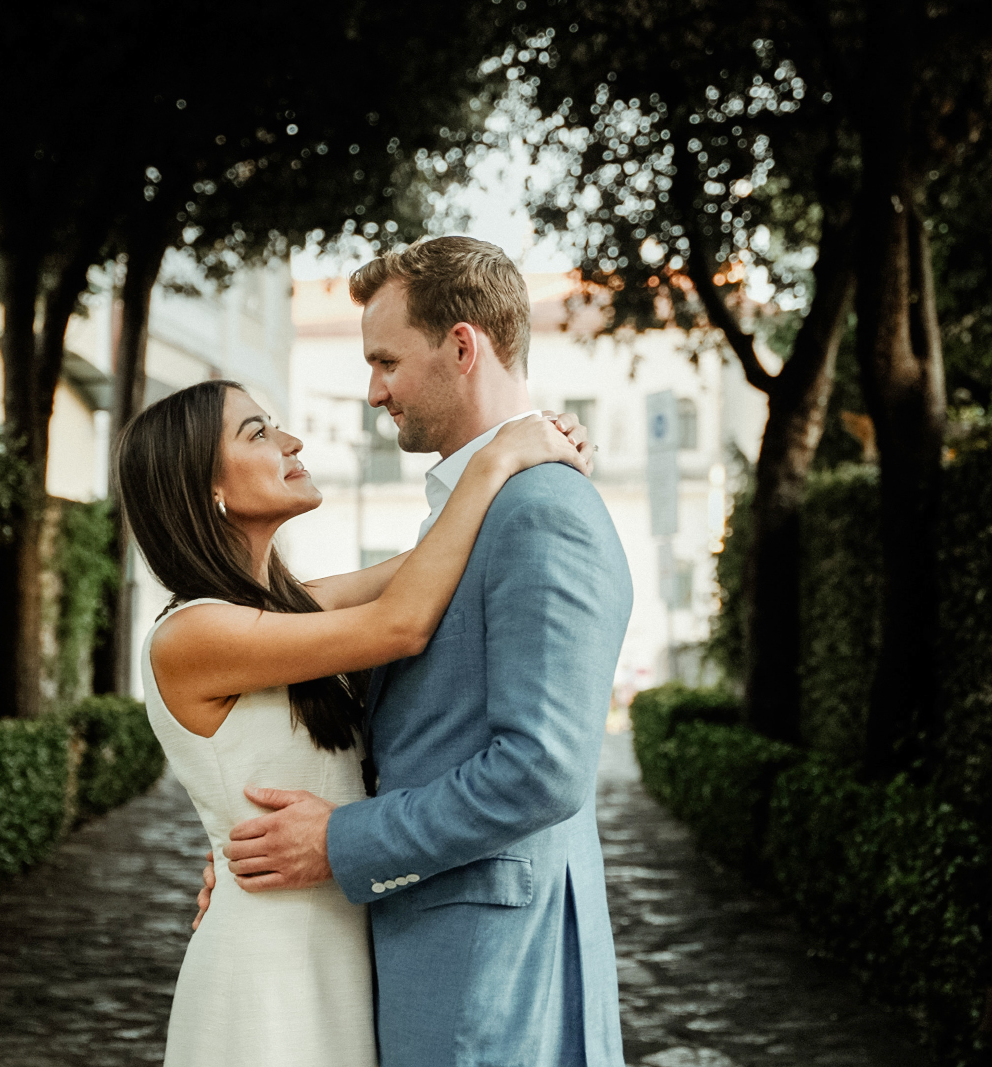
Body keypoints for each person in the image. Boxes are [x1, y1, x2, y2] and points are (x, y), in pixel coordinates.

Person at [206, 236, 635, 1067]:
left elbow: (543, 767)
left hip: (488, 979)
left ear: (463, 346)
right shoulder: (481, 509)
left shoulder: (538, 508)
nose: (374, 392)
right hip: (438, 958)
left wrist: (341, 842)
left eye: (385, 361)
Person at [117, 369, 593, 1067]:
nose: (292, 439)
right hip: (267, 971)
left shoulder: (288, 608)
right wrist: (497, 457)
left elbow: (435, 564)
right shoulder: (192, 635)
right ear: (207, 490)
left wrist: (534, 458)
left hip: (340, 951)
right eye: (258, 432)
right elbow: (400, 624)